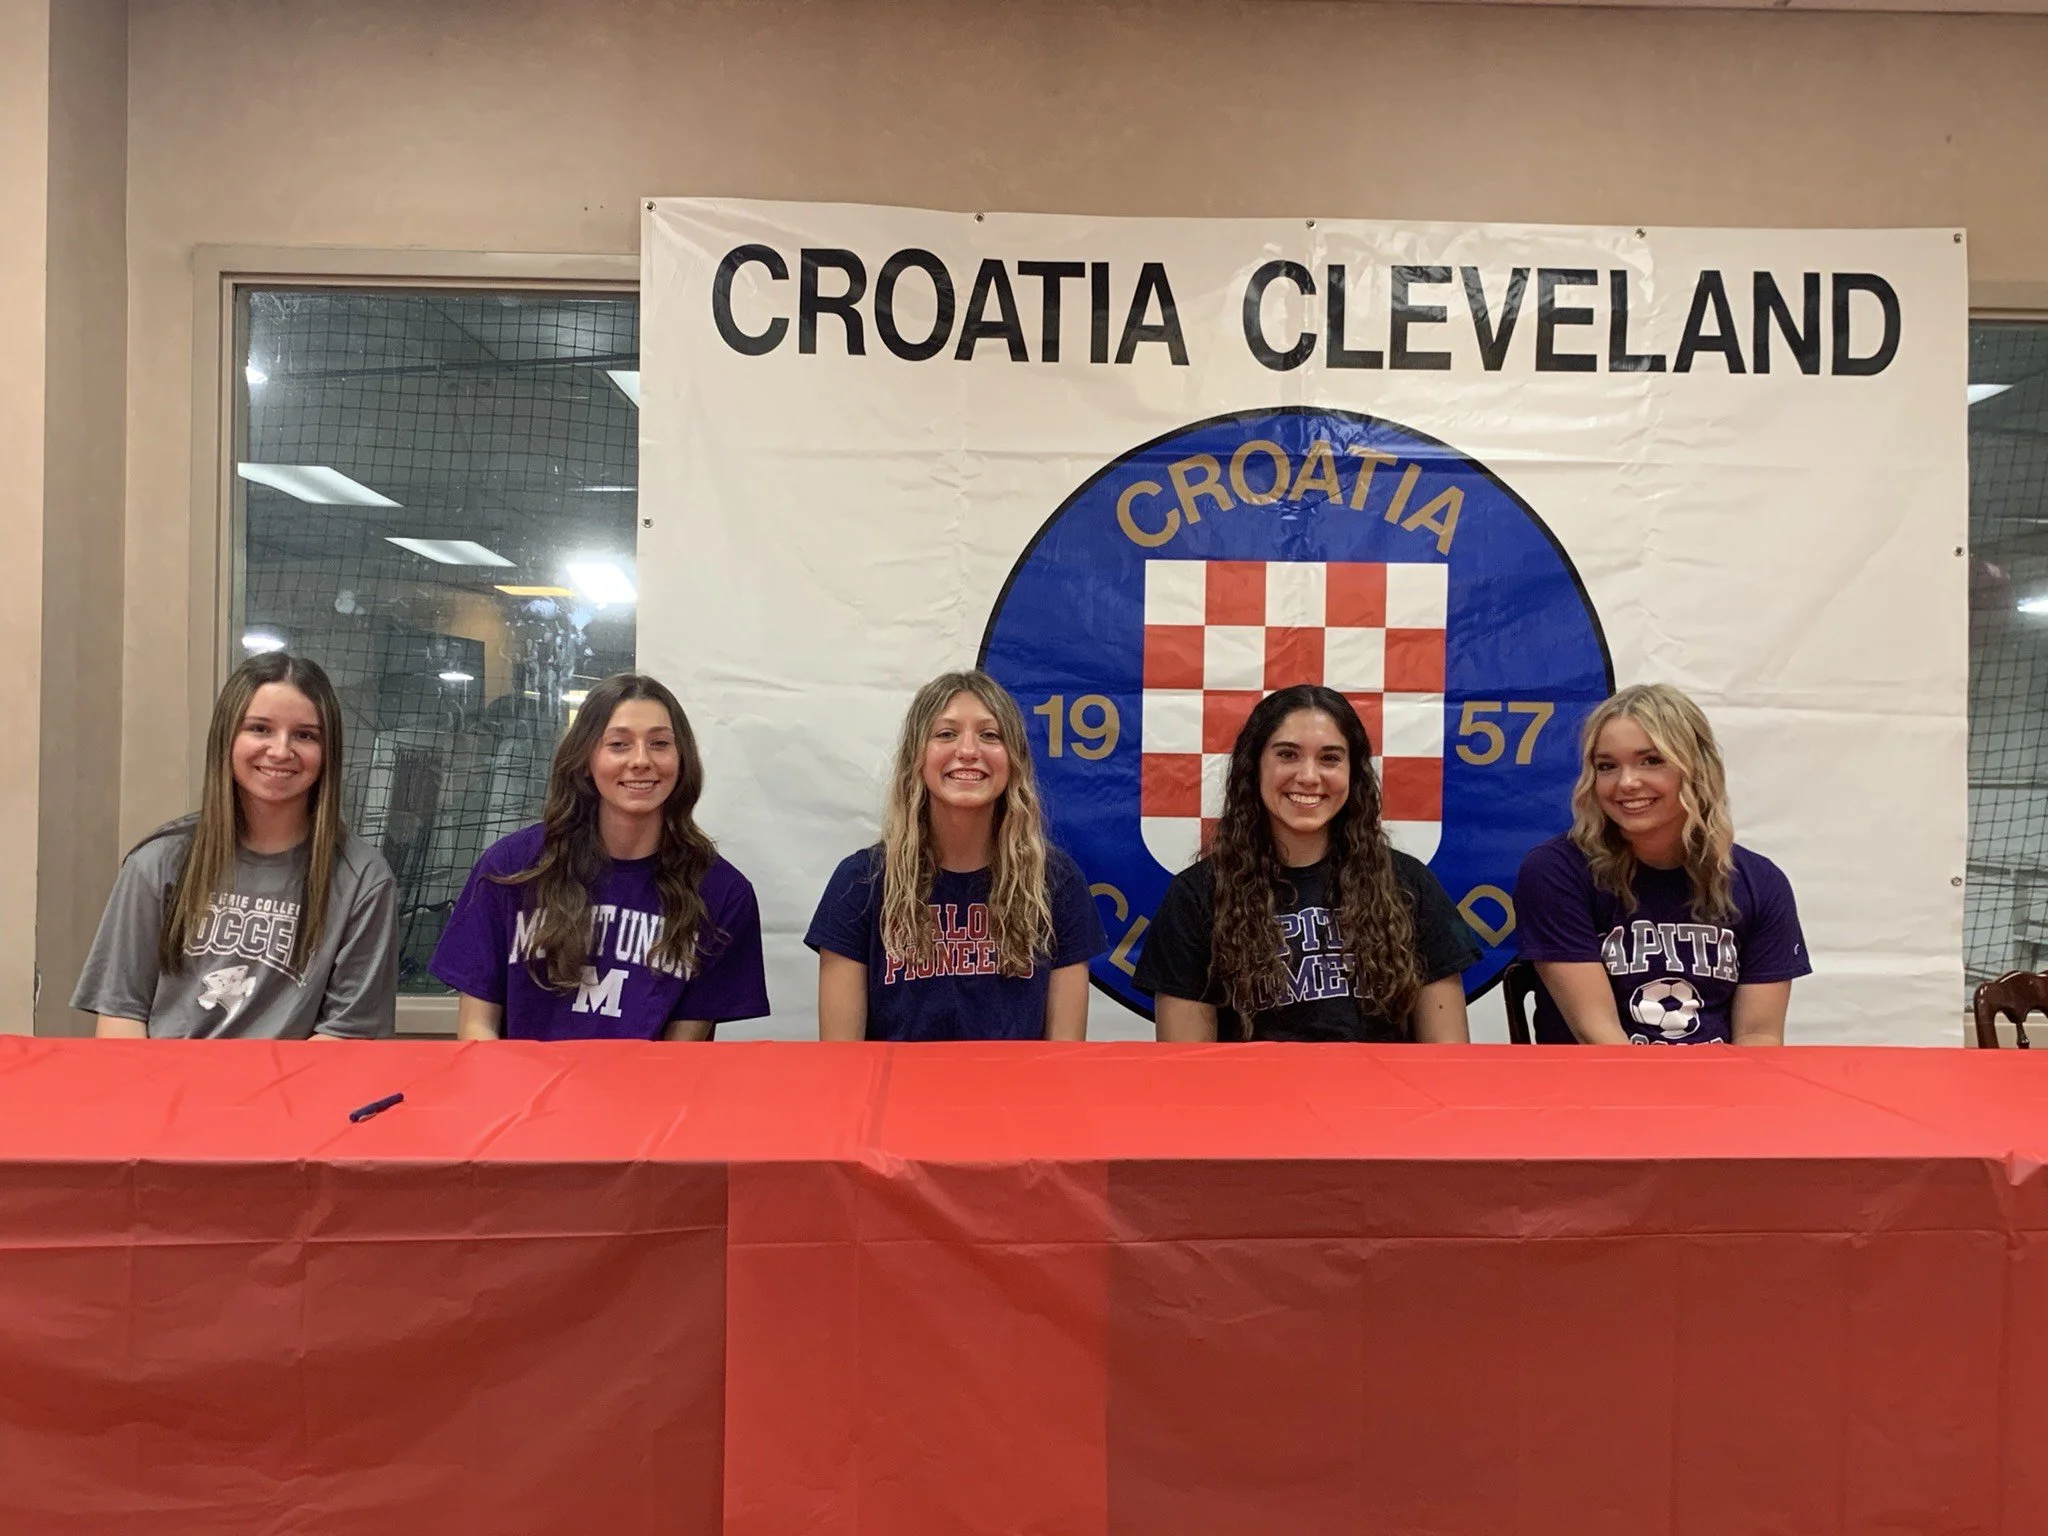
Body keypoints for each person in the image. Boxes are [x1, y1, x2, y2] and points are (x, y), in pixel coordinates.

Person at [74, 652, 397, 1038]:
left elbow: (346, 1036)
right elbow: (120, 1016)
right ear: (226, 737)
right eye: (260, 729)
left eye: (305, 735)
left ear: (328, 753)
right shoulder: (158, 862)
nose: (280, 750)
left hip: (293, 1095)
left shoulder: (363, 879)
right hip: (168, 1092)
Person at [431, 673, 768, 1040]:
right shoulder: (509, 869)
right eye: (619, 744)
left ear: (681, 758)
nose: (641, 760)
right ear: (586, 757)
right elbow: (477, 1028)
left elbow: (682, 1054)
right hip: (521, 1095)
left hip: (647, 1096)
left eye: (659, 743)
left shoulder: (721, 893)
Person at [1135, 684, 1477, 1042]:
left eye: (1330, 758)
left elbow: (1447, 1060)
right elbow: (1188, 1074)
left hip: (1381, 1098)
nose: (1309, 777)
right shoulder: (1196, 895)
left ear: (1353, 773)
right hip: (1251, 1098)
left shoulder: (1408, 884)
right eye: (1287, 755)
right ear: (1254, 767)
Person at [806, 670, 1106, 1040]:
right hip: (897, 1098)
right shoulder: (860, 882)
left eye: (990, 735)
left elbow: (1064, 1059)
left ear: (1014, 760)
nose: (967, 751)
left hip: (1019, 1098)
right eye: (946, 734)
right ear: (917, 756)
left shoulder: (1057, 882)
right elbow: (842, 1064)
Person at [1513, 682, 1809, 1045]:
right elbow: (1597, 1034)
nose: (1627, 782)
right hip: (1596, 1094)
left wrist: (1725, 1102)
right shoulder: (1556, 872)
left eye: (1651, 761)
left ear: (1697, 769)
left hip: (1719, 1094)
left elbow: (1759, 1036)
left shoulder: (1759, 882)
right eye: (1606, 766)